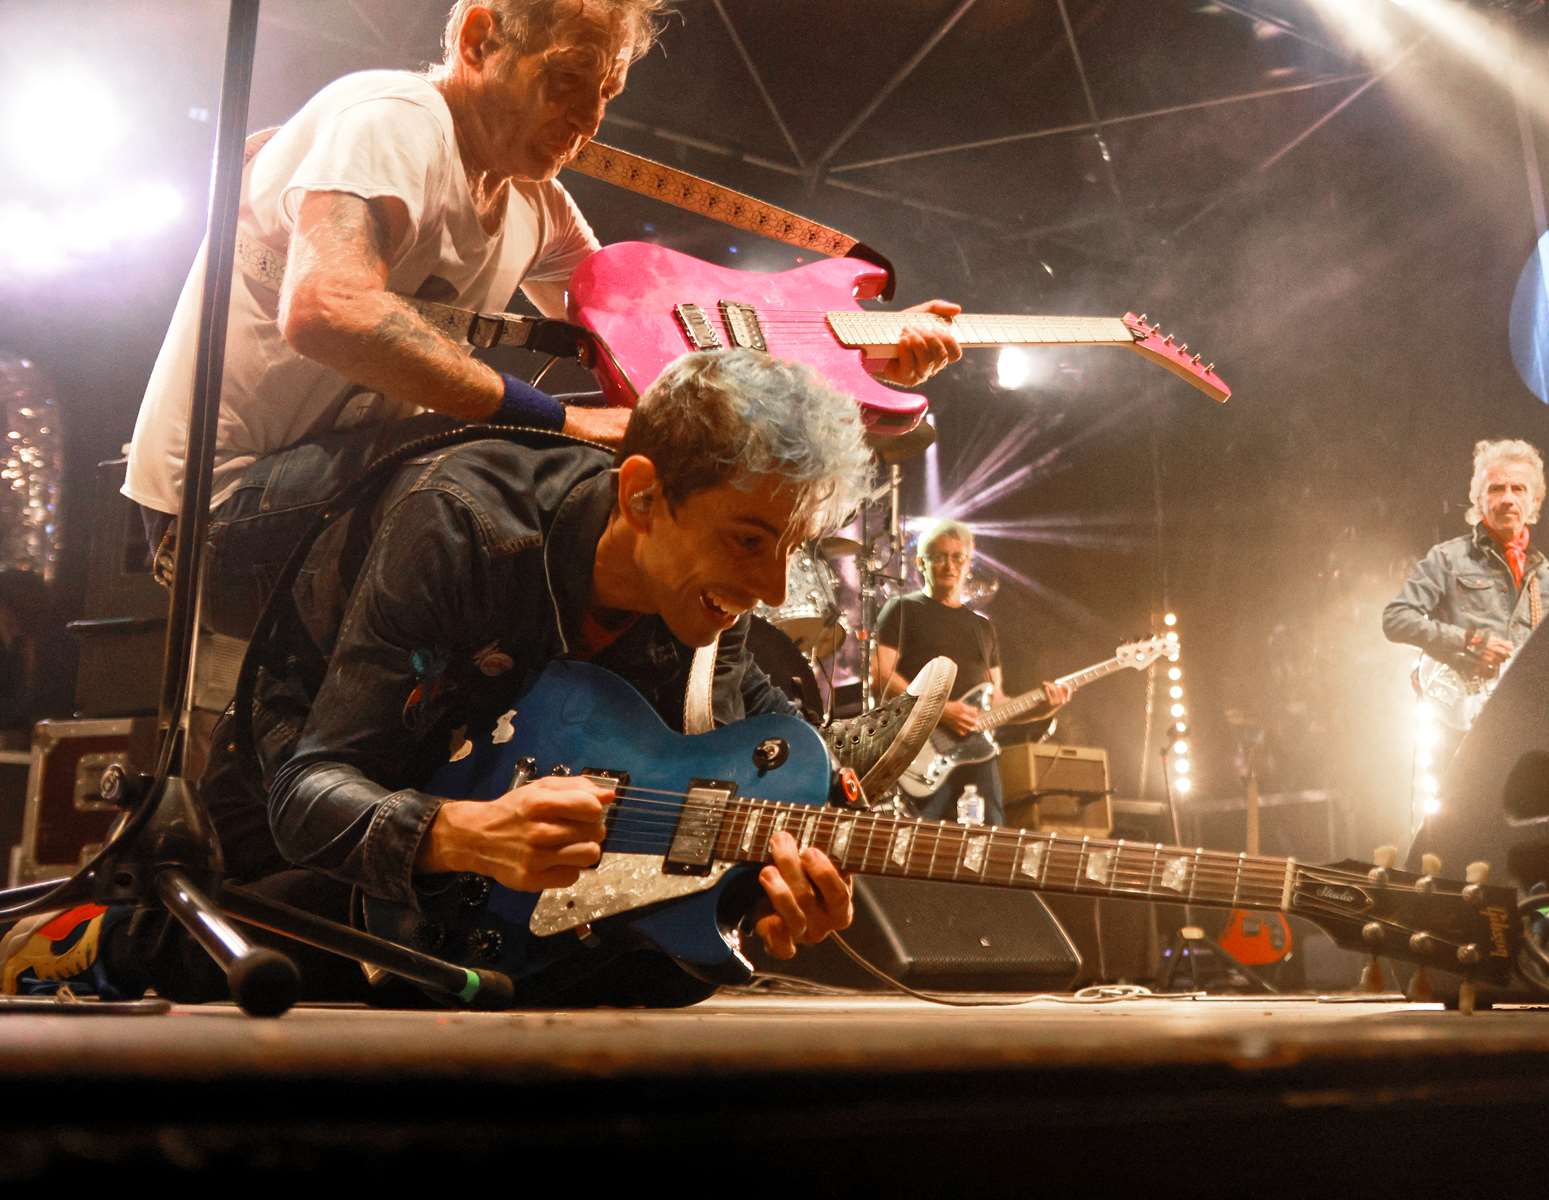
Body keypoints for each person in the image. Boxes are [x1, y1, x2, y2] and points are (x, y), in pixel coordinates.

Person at [3, 350, 952, 1007]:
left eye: (792, 547)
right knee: (302, 950)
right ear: (641, 496)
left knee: (639, 975)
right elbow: (307, 792)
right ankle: (81, 941)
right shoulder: (459, 519)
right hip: (308, 809)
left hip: (497, 885)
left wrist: (769, 897)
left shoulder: (709, 614)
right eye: (748, 541)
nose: (771, 588)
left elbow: (711, 818)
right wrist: (461, 833)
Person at [121, 0, 961, 623]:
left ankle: (719, 726)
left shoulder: (533, 202)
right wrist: (554, 418)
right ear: (479, 39)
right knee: (532, 461)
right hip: (217, 515)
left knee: (651, 459)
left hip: (344, 492)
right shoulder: (392, 117)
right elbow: (326, 309)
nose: (589, 120)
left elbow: (658, 341)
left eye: (608, 92)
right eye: (566, 81)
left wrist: (858, 350)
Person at [871, 519, 1070, 825]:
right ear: (921, 563)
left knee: (989, 839)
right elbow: (881, 678)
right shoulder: (901, 609)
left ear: (968, 564)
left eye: (957, 557)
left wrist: (1043, 709)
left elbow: (996, 703)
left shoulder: (982, 628)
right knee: (920, 839)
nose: (949, 565)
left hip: (978, 755)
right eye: (939, 557)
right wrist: (941, 711)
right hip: (920, 753)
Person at [1382, 438, 1549, 725]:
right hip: (1455, 724)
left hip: (1520, 724)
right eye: (1496, 488)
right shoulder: (1448, 558)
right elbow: (1396, 618)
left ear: (1535, 501)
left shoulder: (1545, 580)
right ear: (1479, 500)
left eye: (1518, 489)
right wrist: (1468, 641)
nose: (1507, 499)